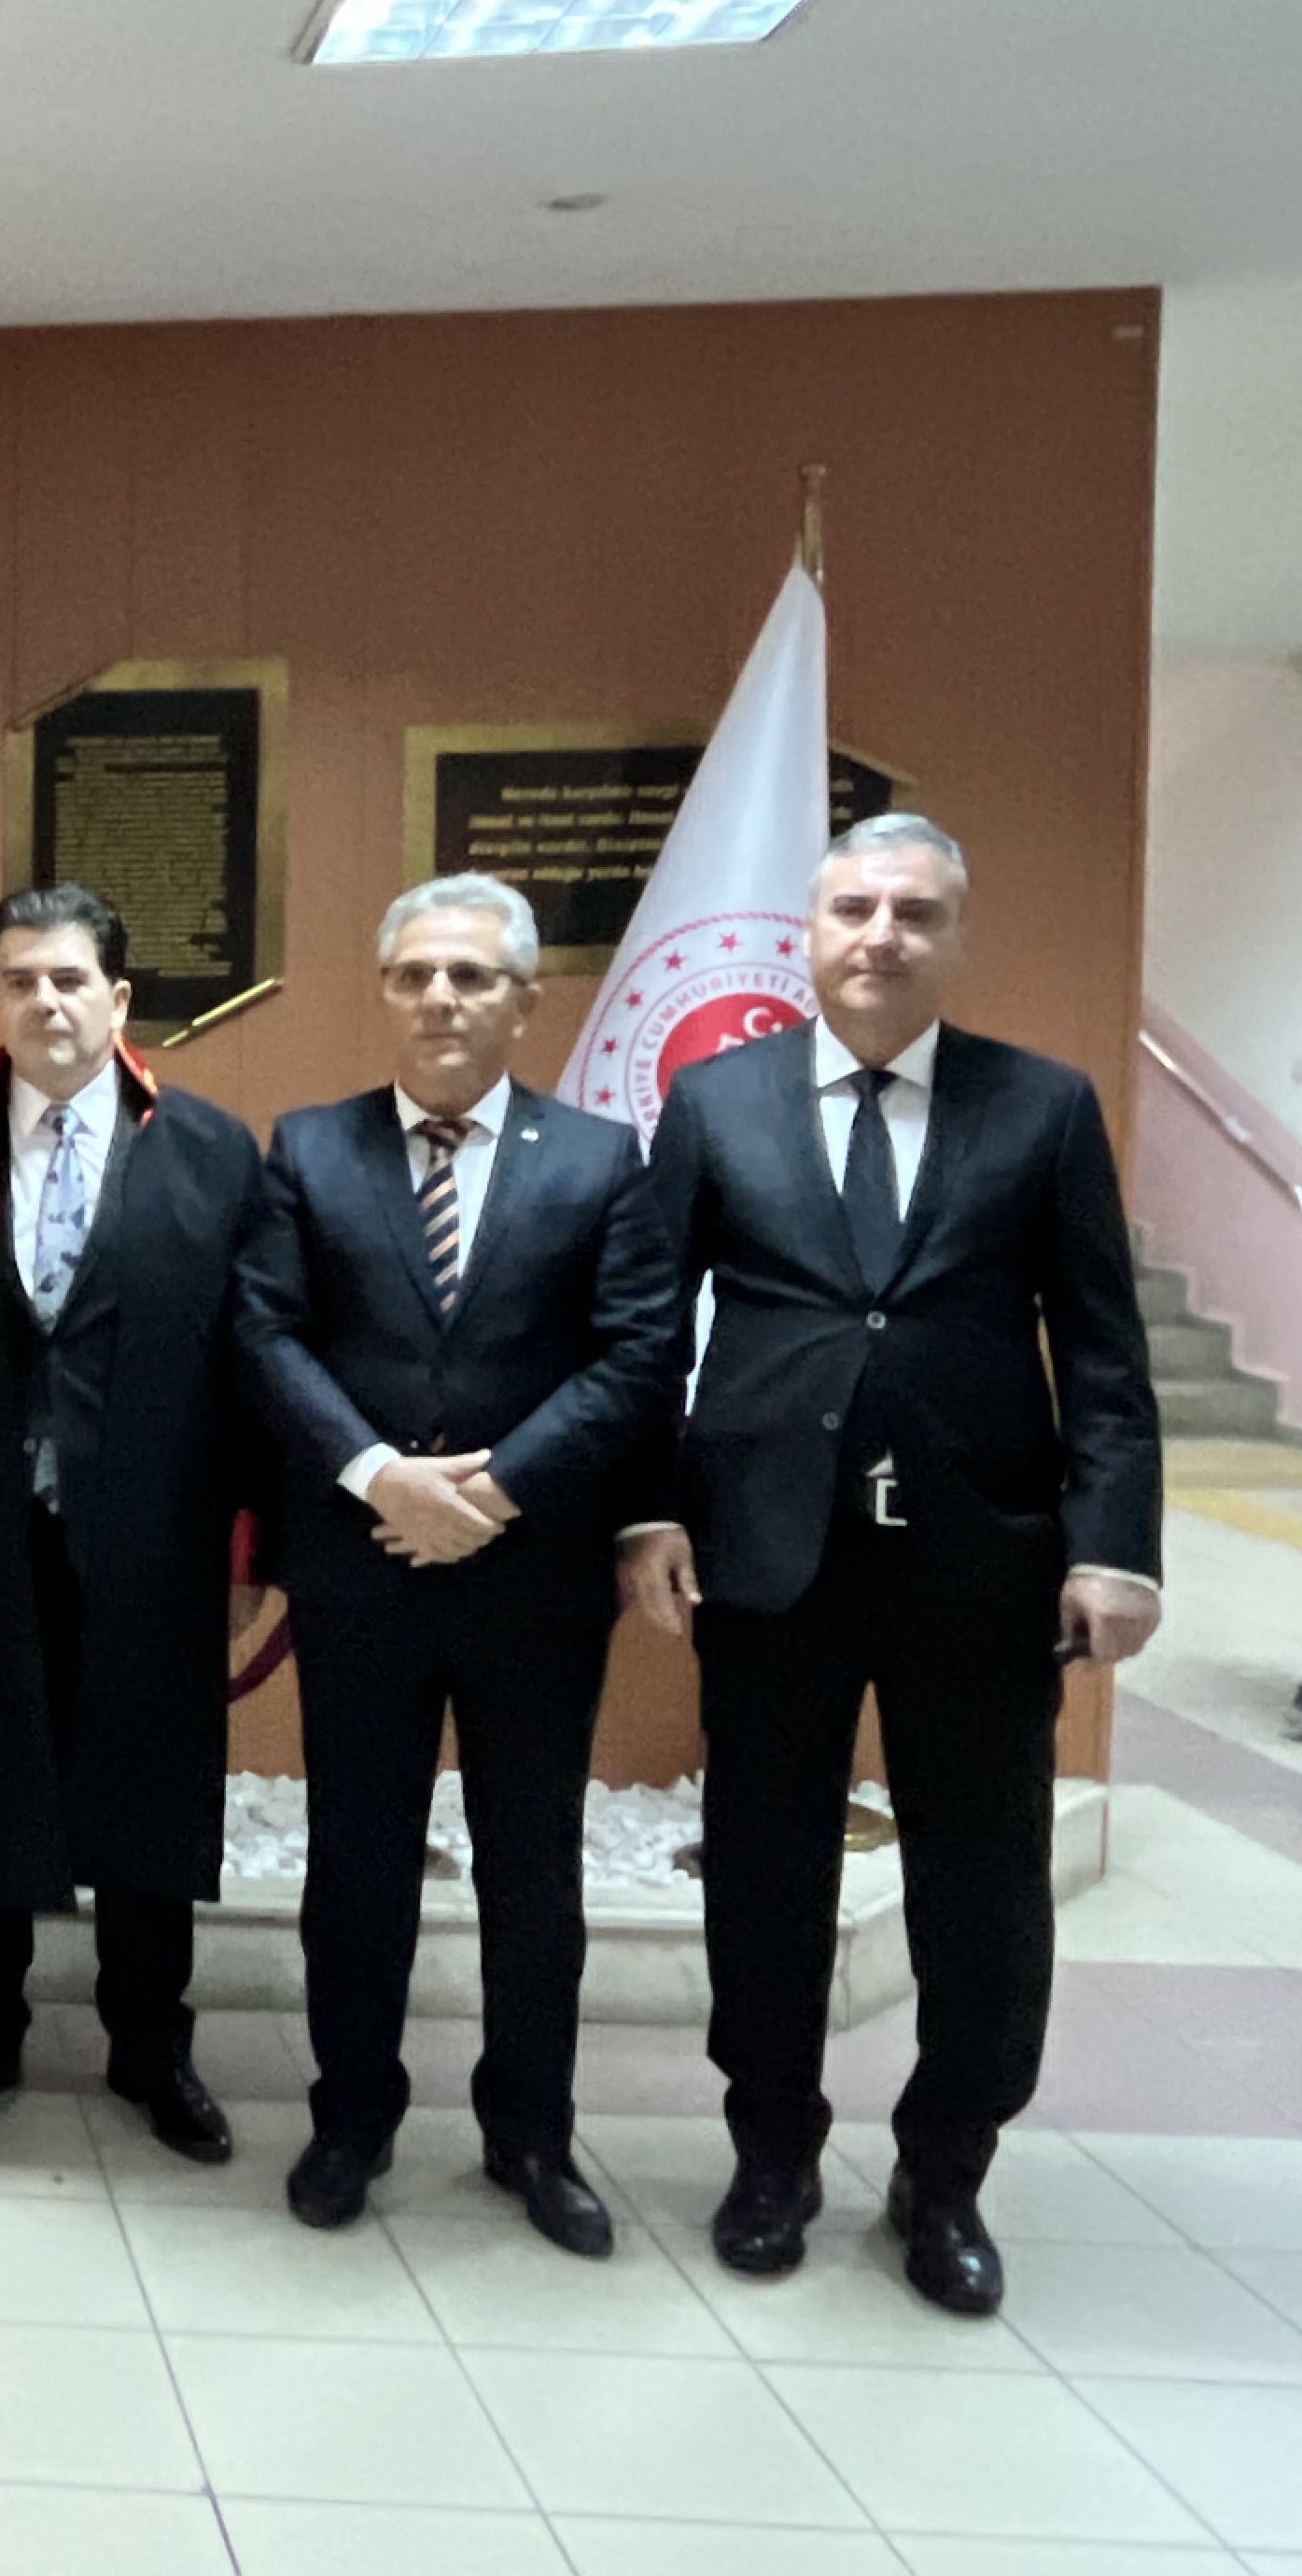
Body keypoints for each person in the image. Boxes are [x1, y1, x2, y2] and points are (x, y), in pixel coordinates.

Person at [623, 813, 1163, 2317]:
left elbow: (1104, 1353)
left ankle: (947, 2172)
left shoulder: (1043, 1107)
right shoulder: (717, 1100)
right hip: (767, 1559)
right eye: (854, 907)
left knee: (984, 1887)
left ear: (957, 937)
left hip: (984, 1566)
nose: (881, 934)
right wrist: (646, 1514)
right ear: (808, 933)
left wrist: (1115, 1547)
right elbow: (649, 1333)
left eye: (915, 912)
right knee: (765, 1873)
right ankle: (771, 2152)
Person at [236, 875, 686, 2249]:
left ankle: (530, 2134)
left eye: (471, 977)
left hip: (529, 1576)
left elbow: (638, 1351)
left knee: (531, 1870)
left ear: (524, 1001)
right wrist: (380, 1474)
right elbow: (264, 1333)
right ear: (385, 990)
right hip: (363, 1564)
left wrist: (493, 1488)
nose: (440, 997)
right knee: (357, 1864)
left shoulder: (600, 1157)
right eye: (415, 974)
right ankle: (351, 2119)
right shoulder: (310, 1148)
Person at [0, 886, 269, 2163]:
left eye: (68, 979)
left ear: (119, 997)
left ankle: (150, 2044)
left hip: (155, 1539)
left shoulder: (211, 1153)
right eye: (18, 980)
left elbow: (254, 1365)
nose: (43, 1002)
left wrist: (245, 1550)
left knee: (150, 1789)